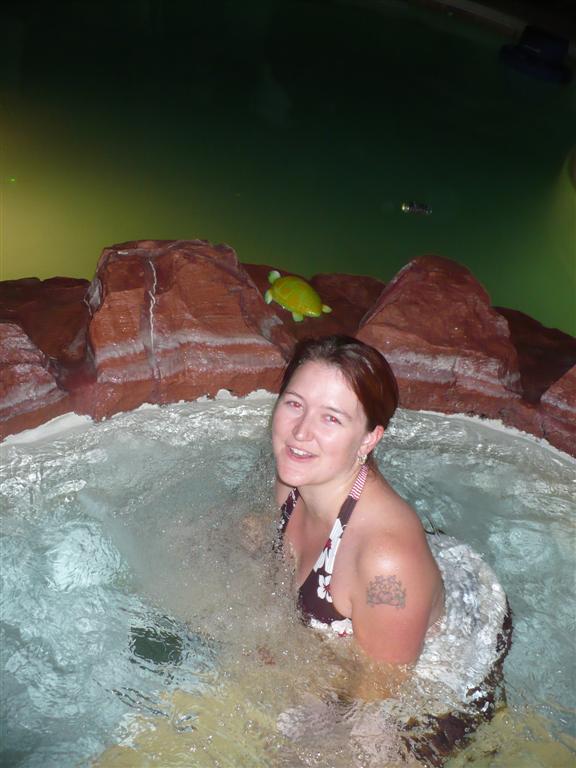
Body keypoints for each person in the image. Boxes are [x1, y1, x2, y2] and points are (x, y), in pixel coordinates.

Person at [272, 335, 444, 668]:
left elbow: (383, 691)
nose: (300, 432)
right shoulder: (292, 479)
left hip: (438, 667)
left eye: (331, 418)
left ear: (369, 438)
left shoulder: (386, 562)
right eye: (294, 404)